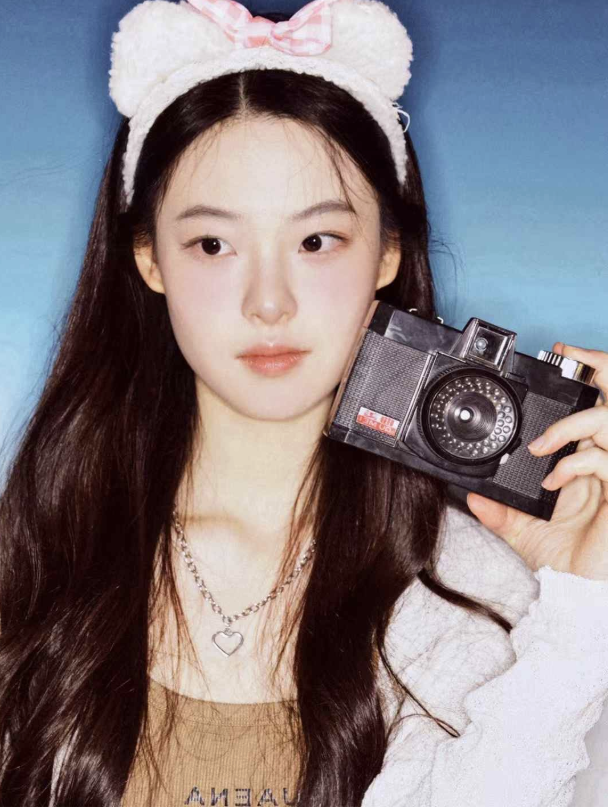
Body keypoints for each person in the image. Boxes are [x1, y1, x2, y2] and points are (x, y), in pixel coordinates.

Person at [0, 0, 607, 805]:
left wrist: (581, 611)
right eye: (213, 244)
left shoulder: (478, 591)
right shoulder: (40, 552)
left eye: (317, 241)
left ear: (388, 252)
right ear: (147, 257)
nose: (269, 302)